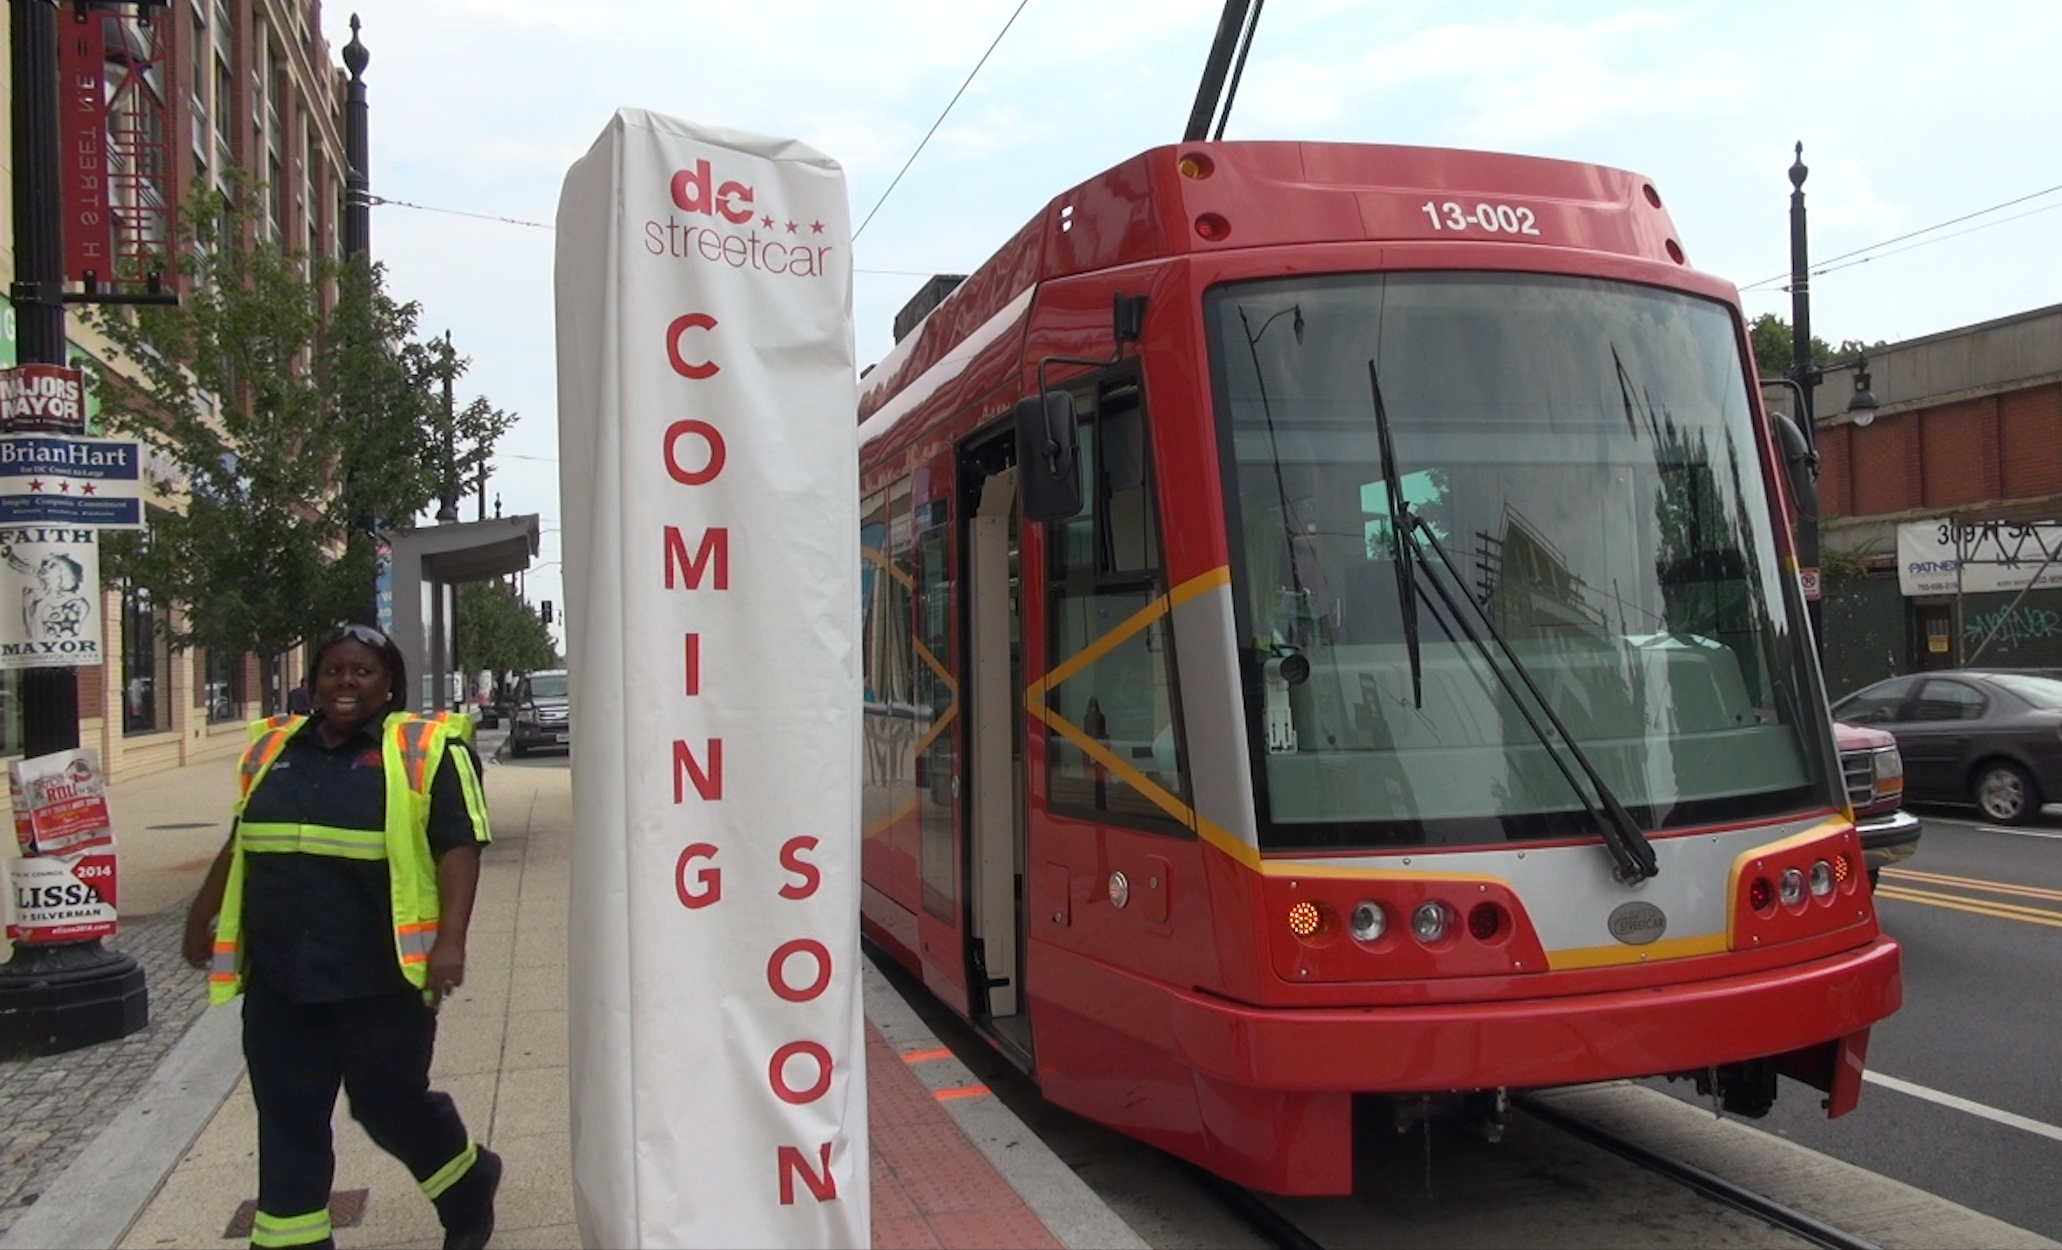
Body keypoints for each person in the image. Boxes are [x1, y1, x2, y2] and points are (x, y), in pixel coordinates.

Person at [184, 624, 501, 1250]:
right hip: (281, 976)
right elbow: (243, 833)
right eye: (333, 670)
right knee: (289, 1117)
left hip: (379, 976)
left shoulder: (424, 749)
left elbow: (458, 847)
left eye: (362, 672)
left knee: (386, 1106)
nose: (345, 682)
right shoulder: (274, 747)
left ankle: (468, 1182)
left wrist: (451, 942)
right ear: (312, 681)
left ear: (389, 687)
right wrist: (204, 910)